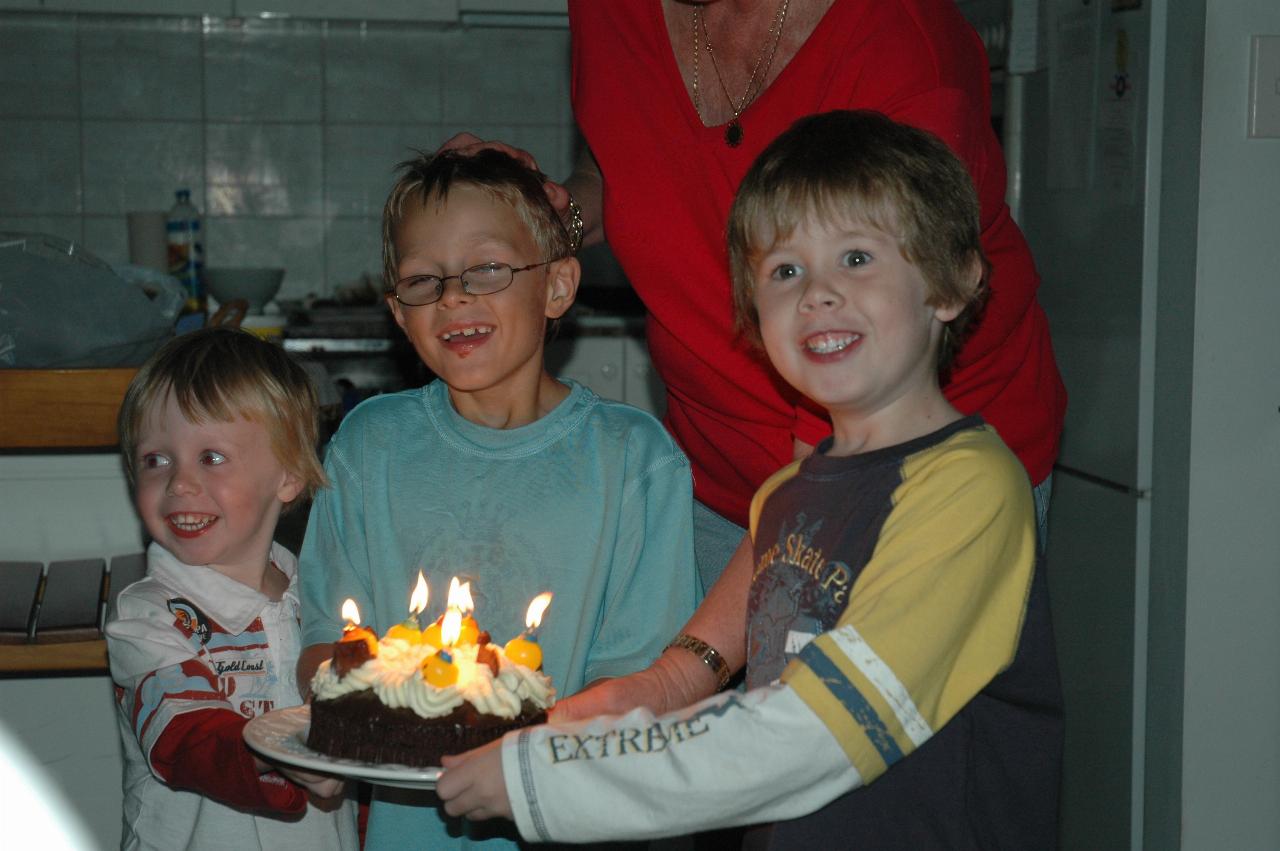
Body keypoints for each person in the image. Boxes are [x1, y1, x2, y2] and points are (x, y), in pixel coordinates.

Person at [435, 110, 1064, 848]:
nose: (817, 294)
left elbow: (812, 734)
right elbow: (721, 700)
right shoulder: (786, 495)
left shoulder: (970, 489)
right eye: (784, 270)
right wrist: (610, 709)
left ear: (952, 281)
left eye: (857, 257)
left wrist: (553, 774)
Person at [443, 0, 1066, 592]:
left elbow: (837, 456)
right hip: (716, 478)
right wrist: (558, 213)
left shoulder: (901, 44)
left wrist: (682, 674)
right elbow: (630, 167)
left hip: (905, 481)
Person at [294, 148, 700, 849]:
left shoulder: (636, 461)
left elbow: (637, 690)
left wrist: (511, 751)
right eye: (424, 280)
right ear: (398, 309)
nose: (453, 297)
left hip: (576, 822)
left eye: (486, 269)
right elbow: (324, 646)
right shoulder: (368, 446)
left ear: (557, 286)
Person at [106, 327, 358, 851]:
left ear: (288, 476)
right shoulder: (148, 618)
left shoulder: (322, 601)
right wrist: (292, 750)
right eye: (156, 459)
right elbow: (188, 739)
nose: (178, 483)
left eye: (211, 457)